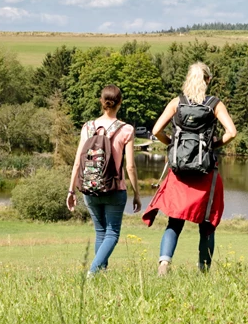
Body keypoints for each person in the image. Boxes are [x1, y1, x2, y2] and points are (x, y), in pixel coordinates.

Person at [142, 62, 237, 276]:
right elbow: (232, 132)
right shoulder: (214, 104)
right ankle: (203, 271)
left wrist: (171, 144)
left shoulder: (177, 102)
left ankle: (164, 264)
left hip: (179, 172)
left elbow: (156, 130)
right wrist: (214, 144)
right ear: (208, 80)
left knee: (174, 221)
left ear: (187, 79)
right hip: (205, 172)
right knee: (207, 223)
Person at [67, 84, 140, 275]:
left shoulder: (87, 127)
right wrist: (137, 194)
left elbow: (77, 163)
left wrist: (71, 190)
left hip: (89, 188)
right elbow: (130, 167)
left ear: (101, 101)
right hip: (115, 188)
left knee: (100, 232)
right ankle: (93, 272)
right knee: (112, 233)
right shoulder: (126, 129)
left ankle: (101, 275)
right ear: (120, 103)